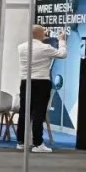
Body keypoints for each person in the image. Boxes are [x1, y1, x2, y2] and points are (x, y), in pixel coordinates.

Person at [16, 25, 66, 153]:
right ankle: (38, 143)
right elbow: (63, 54)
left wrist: (41, 37)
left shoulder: (21, 47)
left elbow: (36, 43)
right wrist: (61, 40)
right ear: (41, 34)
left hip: (25, 82)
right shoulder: (45, 48)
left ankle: (21, 142)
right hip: (41, 82)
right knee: (39, 113)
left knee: (24, 111)